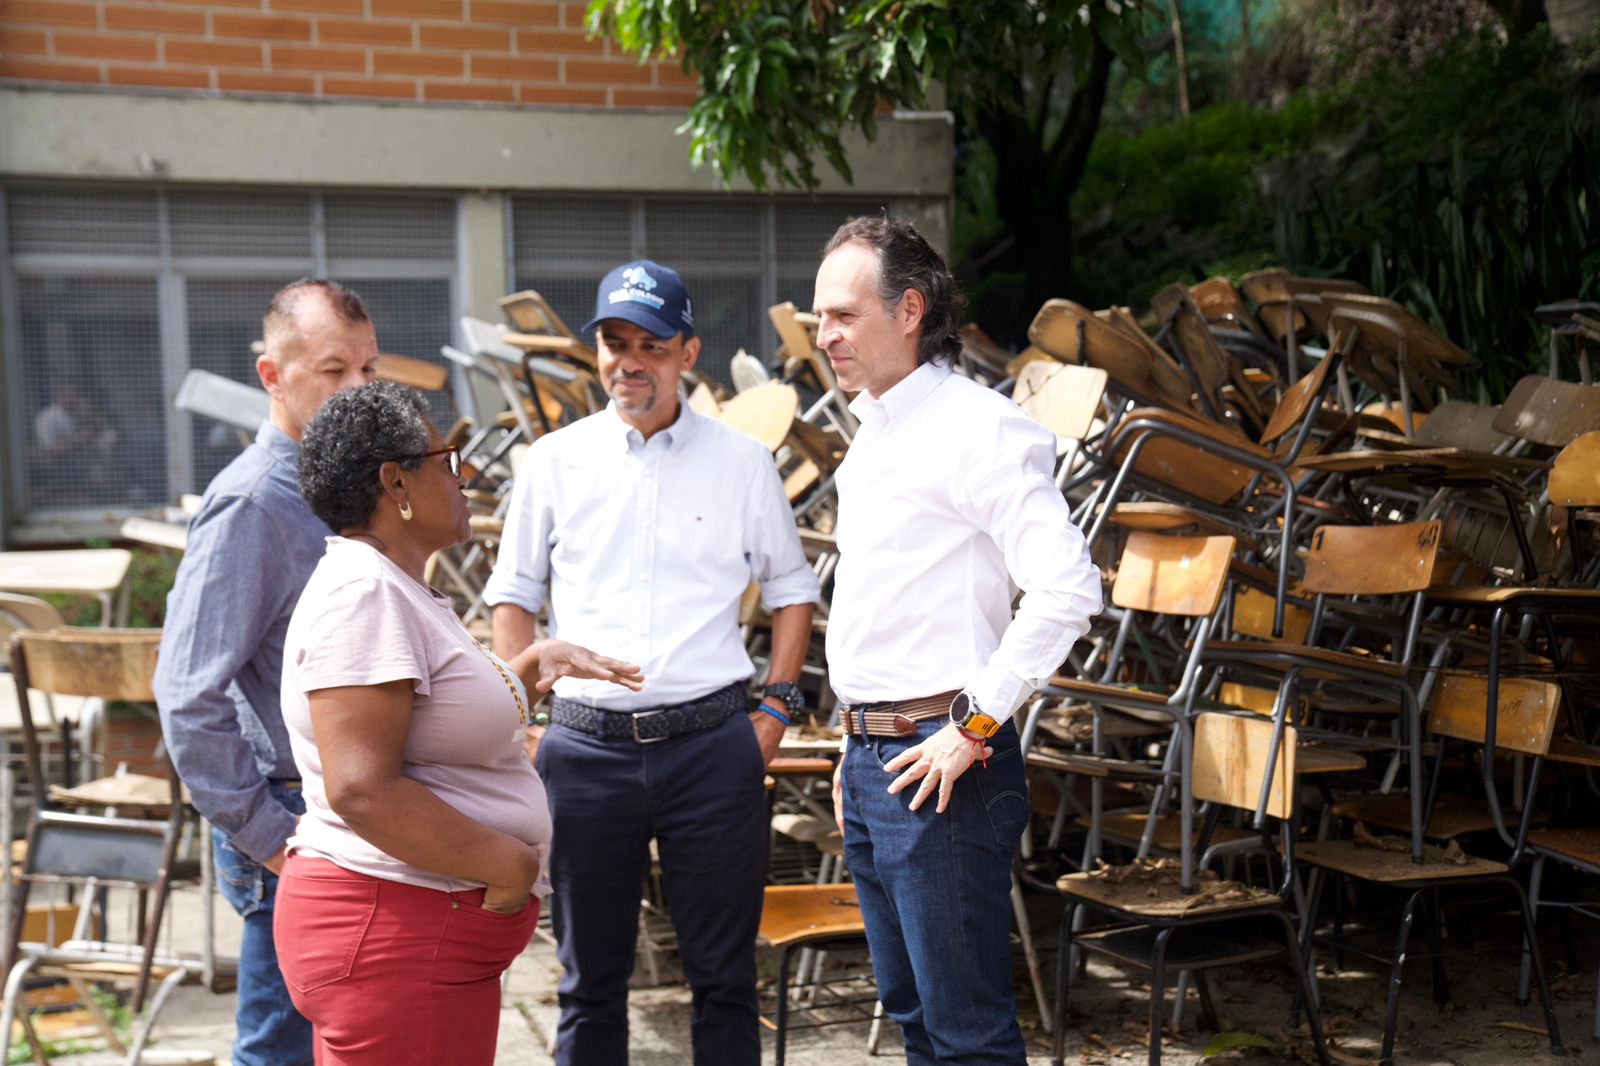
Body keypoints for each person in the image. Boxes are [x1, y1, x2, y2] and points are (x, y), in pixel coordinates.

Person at [485, 259, 821, 1066]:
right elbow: (512, 598)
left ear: (687, 352)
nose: (629, 362)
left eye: (651, 345)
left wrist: (775, 712)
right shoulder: (554, 461)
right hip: (584, 752)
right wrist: (522, 721)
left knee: (725, 981)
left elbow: (792, 592)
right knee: (589, 985)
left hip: (712, 750)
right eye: (614, 342)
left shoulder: (742, 463)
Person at [273, 381, 643, 1064]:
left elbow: (430, 719)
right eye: (446, 459)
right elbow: (363, 789)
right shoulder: (365, 594)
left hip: (410, 932)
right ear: (396, 482)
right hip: (396, 932)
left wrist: (527, 668)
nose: (464, 474)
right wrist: (508, 868)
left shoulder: (394, 587)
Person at [816, 217, 1103, 1066]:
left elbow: (1068, 588)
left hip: (946, 767)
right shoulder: (875, 430)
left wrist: (975, 723)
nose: (824, 334)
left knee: (966, 1037)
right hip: (876, 762)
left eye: (843, 314)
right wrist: (852, 744)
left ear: (909, 310)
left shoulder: (978, 427)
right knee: (915, 1020)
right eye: (820, 315)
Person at [154, 278, 378, 1066]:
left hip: (347, 817)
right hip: (293, 823)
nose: (358, 391)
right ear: (272, 376)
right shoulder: (253, 505)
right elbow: (187, 695)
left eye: (369, 369)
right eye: (333, 370)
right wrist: (271, 838)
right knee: (279, 1056)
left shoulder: (334, 491)